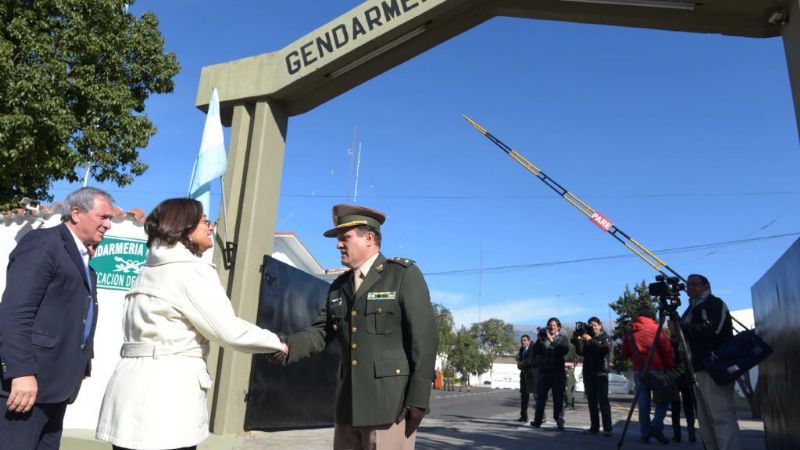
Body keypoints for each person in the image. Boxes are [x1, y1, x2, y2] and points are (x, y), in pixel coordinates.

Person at [95, 198, 287, 450]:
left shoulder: (147, 271)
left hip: (127, 395)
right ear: (184, 227)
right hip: (165, 401)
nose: (211, 227)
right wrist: (277, 343)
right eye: (205, 221)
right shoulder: (191, 271)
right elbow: (229, 331)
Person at [273, 204, 438, 450]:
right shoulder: (339, 286)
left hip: (390, 407)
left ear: (369, 238)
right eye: (339, 239)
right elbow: (322, 331)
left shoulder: (402, 275)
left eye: (345, 238)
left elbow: (424, 339)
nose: (339, 244)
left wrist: (418, 398)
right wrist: (286, 346)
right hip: (348, 405)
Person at [0, 187, 114, 450]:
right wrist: (21, 372)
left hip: (56, 388)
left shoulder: (83, 257)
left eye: (109, 218)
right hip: (27, 387)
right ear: (76, 213)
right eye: (103, 217)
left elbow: (78, 311)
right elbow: (15, 312)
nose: (108, 225)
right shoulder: (44, 243)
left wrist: (84, 359)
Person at [680, 274, 741, 450]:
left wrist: (683, 327)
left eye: (694, 284)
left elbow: (713, 329)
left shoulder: (714, 303)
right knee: (705, 418)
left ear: (706, 285)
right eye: (688, 285)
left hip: (714, 365)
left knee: (721, 415)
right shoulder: (689, 310)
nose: (689, 287)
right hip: (696, 367)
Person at [621, 310, 674, 444]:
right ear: (650, 317)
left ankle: (645, 433)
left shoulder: (631, 331)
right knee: (663, 400)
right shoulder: (656, 328)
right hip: (657, 368)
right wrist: (669, 366)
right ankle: (656, 426)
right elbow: (666, 349)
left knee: (643, 403)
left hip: (639, 369)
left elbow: (625, 352)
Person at [573, 317, 613, 436]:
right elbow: (581, 352)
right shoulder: (588, 337)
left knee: (603, 401)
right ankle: (594, 426)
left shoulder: (606, 338)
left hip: (601, 372)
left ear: (600, 325)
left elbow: (603, 350)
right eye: (591, 325)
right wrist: (578, 340)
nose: (593, 327)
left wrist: (590, 339)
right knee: (591, 401)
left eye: (595, 325)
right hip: (589, 372)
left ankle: (607, 428)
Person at [530, 317, 570, 431]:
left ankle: (559, 420)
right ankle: (538, 421)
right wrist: (539, 339)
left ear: (558, 327)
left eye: (554, 325)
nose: (552, 327)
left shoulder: (563, 338)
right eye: (550, 325)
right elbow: (535, 351)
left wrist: (552, 340)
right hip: (544, 372)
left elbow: (564, 350)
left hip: (558, 373)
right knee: (541, 398)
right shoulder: (544, 339)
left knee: (558, 398)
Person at [668, 320, 696, 443]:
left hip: (679, 374)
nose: (669, 327)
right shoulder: (681, 340)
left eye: (670, 324)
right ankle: (682, 430)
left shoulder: (677, 341)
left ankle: (683, 431)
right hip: (683, 373)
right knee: (682, 405)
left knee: (681, 405)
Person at [516, 334, 536, 422]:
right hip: (524, 376)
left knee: (537, 397)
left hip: (533, 376)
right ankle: (523, 416)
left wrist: (523, 363)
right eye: (522, 340)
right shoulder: (521, 349)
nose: (523, 342)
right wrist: (519, 365)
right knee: (524, 397)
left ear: (529, 341)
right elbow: (520, 361)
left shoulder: (533, 348)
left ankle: (541, 416)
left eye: (524, 340)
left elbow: (534, 360)